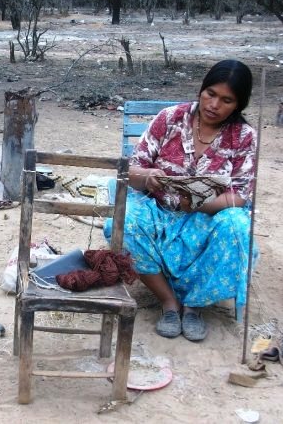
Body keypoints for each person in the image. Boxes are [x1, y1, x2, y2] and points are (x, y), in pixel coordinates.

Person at [104, 59, 257, 342]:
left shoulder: (244, 137)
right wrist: (147, 175)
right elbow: (130, 171)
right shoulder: (170, 118)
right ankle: (169, 302)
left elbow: (241, 194)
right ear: (201, 90)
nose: (214, 105)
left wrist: (200, 204)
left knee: (236, 226)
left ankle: (194, 305)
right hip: (160, 210)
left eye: (226, 100)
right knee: (122, 222)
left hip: (208, 219)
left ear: (238, 104)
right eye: (210, 93)